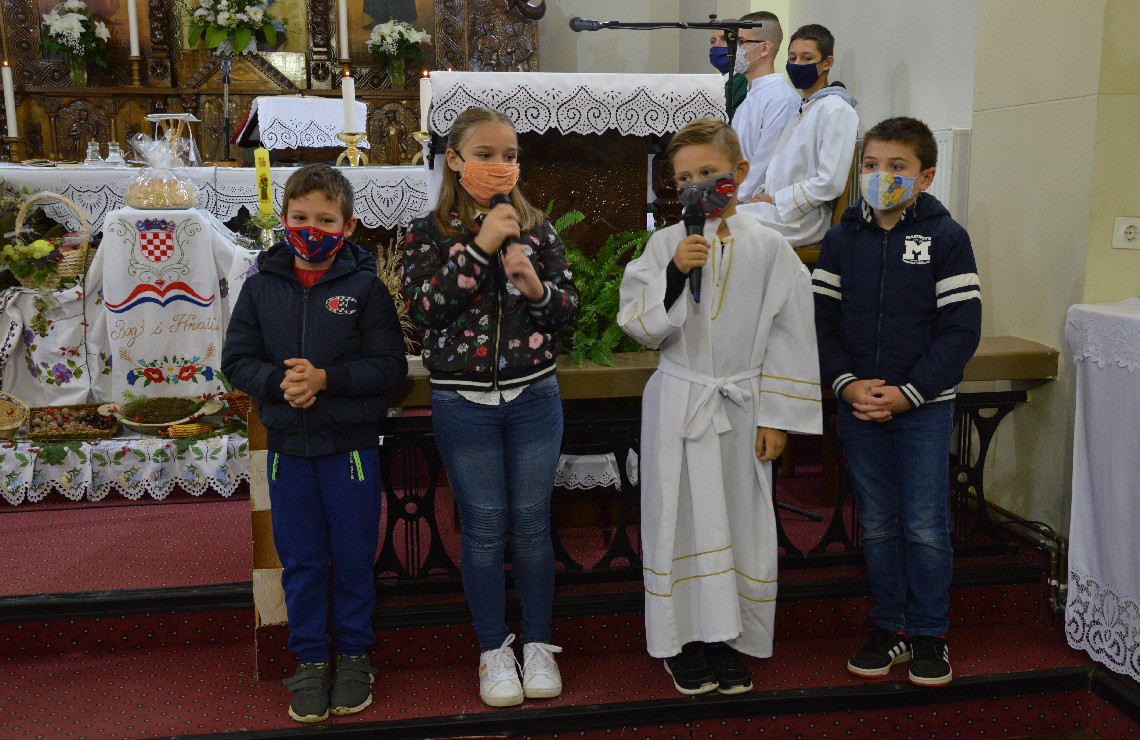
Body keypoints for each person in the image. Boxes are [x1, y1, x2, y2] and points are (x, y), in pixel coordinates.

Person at [618, 117, 821, 696]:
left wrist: (778, 418)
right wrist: (676, 272)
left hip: (741, 405)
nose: (697, 186)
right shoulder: (665, 244)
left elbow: (791, 334)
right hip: (680, 403)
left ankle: (729, 638)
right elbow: (639, 325)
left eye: (708, 172)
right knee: (678, 519)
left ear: (741, 171)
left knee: (739, 519)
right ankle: (680, 642)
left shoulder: (772, 248)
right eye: (684, 178)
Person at [402, 106, 580, 708]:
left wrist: (536, 287)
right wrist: (479, 249)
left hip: (534, 396)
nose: (500, 166)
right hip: (464, 401)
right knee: (483, 529)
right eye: (485, 155)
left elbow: (568, 311)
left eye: (510, 156)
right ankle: (493, 649)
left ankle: (538, 643)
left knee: (531, 526)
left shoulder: (538, 228)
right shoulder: (428, 233)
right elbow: (424, 310)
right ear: (455, 160)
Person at [221, 163, 409, 723]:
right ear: (283, 219)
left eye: (325, 220)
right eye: (300, 218)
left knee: (351, 557)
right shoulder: (261, 286)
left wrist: (325, 380)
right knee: (301, 560)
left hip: (349, 448)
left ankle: (353, 654)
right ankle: (310, 658)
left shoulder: (366, 288)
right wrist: (280, 381)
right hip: (289, 449)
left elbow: (389, 368)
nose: (312, 229)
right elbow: (236, 360)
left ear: (347, 226)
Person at [812, 117, 982, 687]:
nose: (880, 175)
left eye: (896, 167)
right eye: (870, 165)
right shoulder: (841, 239)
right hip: (859, 403)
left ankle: (930, 632)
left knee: (925, 522)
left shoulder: (946, 237)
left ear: (925, 176)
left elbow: (961, 330)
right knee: (878, 522)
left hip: (923, 406)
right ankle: (890, 627)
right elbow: (821, 322)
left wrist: (910, 394)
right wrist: (845, 383)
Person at [738, 23, 858, 247]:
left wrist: (775, 200)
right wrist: (761, 196)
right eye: (792, 58)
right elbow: (779, 166)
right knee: (709, 219)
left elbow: (830, 183)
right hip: (777, 210)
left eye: (806, 58)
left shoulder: (836, 109)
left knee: (722, 226)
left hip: (803, 219)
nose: (797, 64)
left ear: (827, 63)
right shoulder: (804, 107)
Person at [730, 10, 800, 201]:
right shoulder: (750, 96)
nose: (735, 49)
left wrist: (733, 199)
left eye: (741, 42)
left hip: (759, 202)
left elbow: (766, 165)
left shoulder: (781, 99)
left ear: (764, 49)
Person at [708, 25, 747, 120]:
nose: (717, 45)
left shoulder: (745, 82)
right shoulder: (718, 82)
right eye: (713, 41)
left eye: (724, 39)